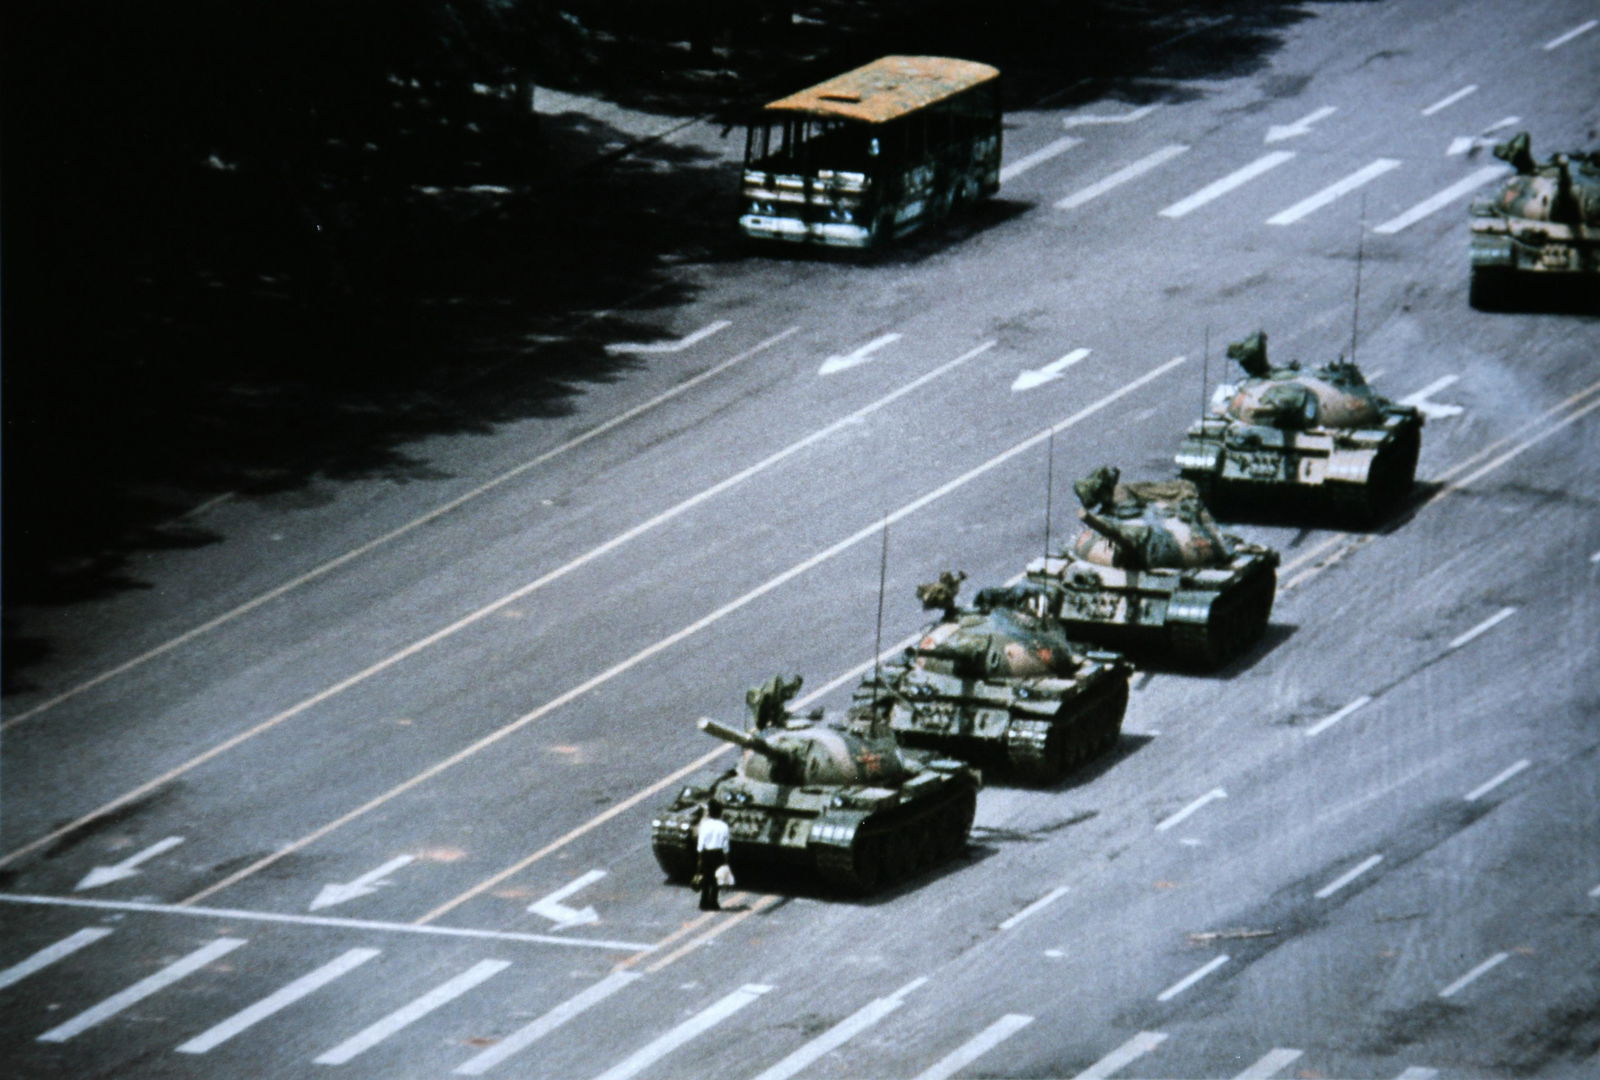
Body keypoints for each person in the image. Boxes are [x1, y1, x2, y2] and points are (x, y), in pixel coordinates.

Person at [695, 803, 732, 911]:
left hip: (706, 853)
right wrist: (726, 859)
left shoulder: (705, 825)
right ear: (720, 813)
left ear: (710, 813)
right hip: (719, 853)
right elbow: (726, 844)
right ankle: (714, 902)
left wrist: (700, 857)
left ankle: (703, 901)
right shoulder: (724, 826)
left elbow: (701, 842)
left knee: (706, 877)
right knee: (717, 878)